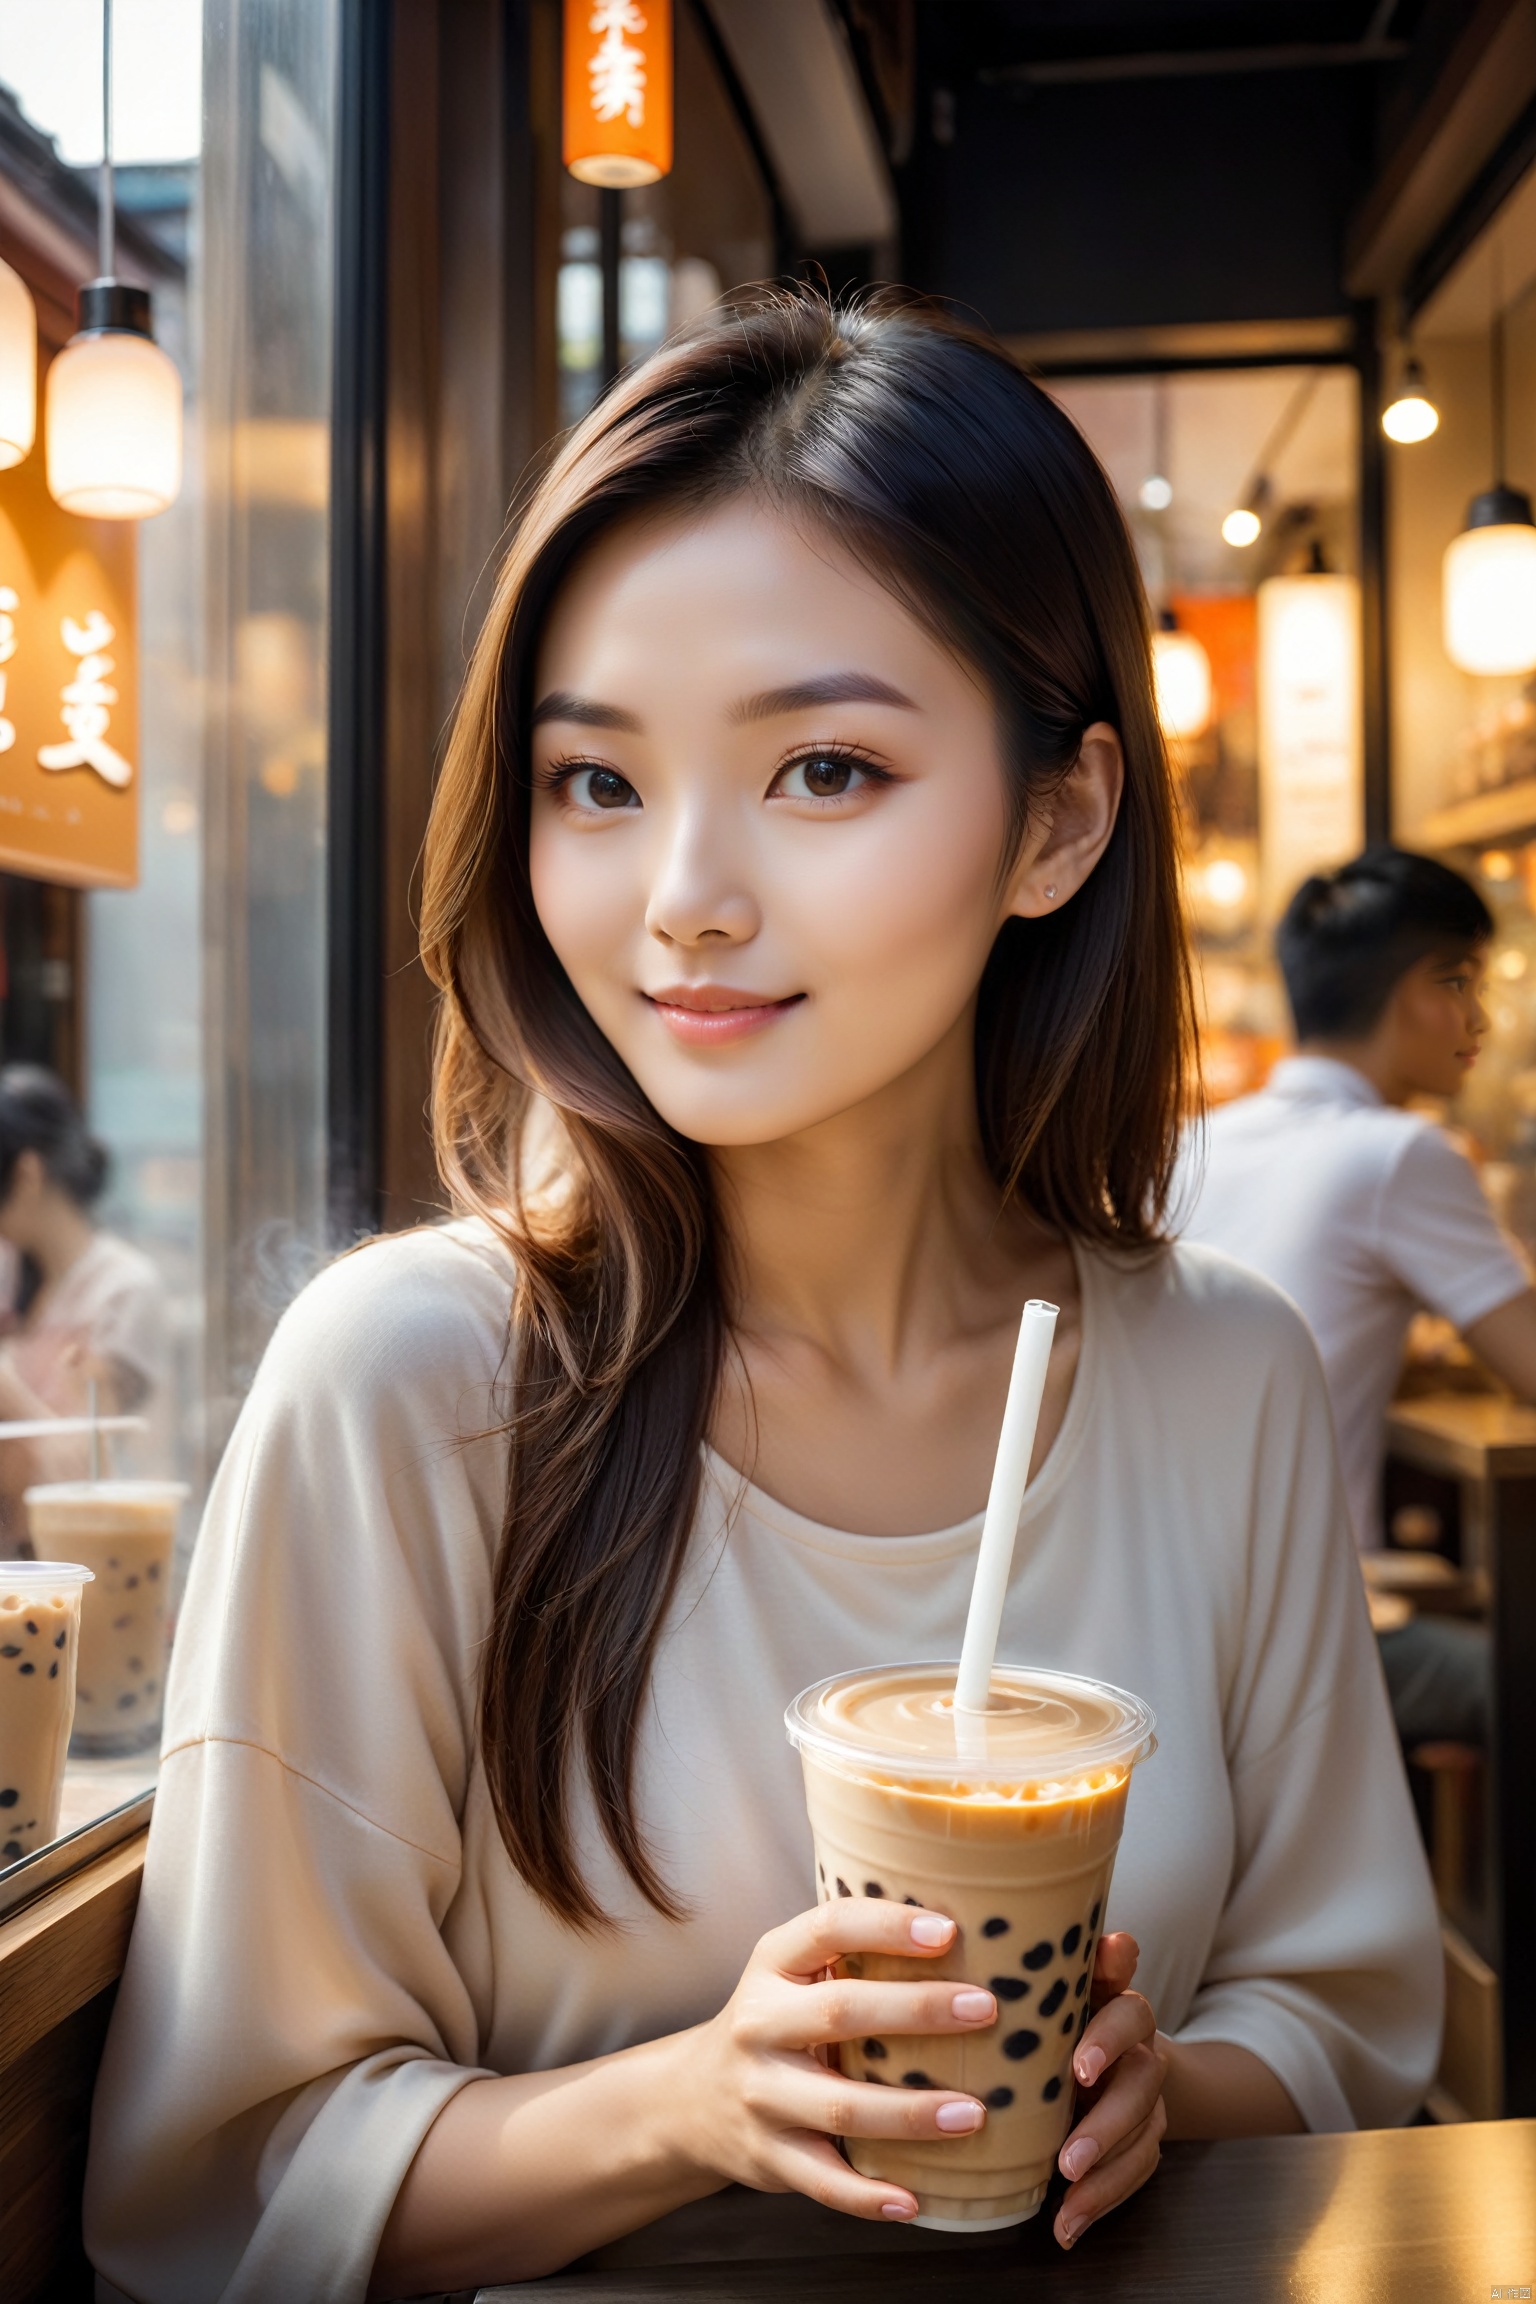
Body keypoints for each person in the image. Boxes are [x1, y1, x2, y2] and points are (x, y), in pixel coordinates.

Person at [85, 294, 1439, 2304]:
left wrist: (1174, 2087)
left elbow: (1341, 2027)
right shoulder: (414, 1385)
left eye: (821, 768)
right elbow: (219, 2190)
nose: (683, 897)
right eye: (599, 784)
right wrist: (699, 2103)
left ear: (1058, 818)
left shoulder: (1214, 1368)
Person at [1176, 847, 1536, 1747]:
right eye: (1462, 981)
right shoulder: (1399, 1152)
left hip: (1175, 1617)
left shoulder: (1198, 1143)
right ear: (1415, 988)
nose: (1478, 1016)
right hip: (1305, 1638)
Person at [0, 1064, 165, 1552]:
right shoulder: (9, 1270)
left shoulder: (123, 1289)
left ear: (27, 1173)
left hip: (87, 1555)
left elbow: (92, 1455)